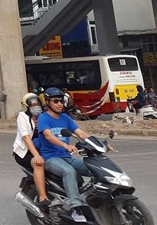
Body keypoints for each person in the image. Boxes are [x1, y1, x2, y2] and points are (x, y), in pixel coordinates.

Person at [38, 87, 91, 223]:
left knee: (92, 167)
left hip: (67, 157)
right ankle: (75, 208)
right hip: (51, 158)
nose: (60, 104)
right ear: (48, 102)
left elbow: (81, 133)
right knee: (69, 172)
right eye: (56, 101)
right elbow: (48, 136)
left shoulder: (65, 118)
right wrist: (65, 145)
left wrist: (99, 144)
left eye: (61, 101)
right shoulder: (43, 118)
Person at [13, 92, 49, 216]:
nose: (36, 107)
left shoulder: (43, 117)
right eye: (33, 104)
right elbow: (26, 138)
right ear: (26, 106)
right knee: (39, 164)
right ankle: (43, 197)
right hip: (25, 153)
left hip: (40, 149)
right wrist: (36, 156)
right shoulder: (22, 117)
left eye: (38, 104)